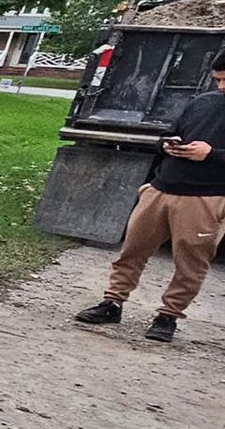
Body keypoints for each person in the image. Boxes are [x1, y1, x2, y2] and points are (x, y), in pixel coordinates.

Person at [74, 51, 225, 341]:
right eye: (217, 79)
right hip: (162, 187)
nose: (220, 87)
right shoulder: (201, 102)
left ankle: (167, 317)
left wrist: (211, 155)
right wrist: (167, 145)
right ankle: (112, 303)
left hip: (207, 197)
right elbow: (169, 134)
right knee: (132, 250)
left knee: (191, 262)